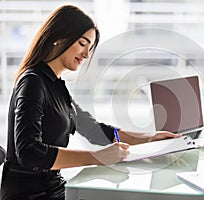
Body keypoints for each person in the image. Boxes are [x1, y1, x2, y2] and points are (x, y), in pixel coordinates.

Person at [0, 5, 179, 200]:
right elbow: (29, 153)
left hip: (55, 189)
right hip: (30, 195)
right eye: (82, 43)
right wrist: (97, 157)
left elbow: (96, 131)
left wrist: (149, 138)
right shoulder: (33, 81)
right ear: (59, 38)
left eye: (90, 47)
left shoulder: (57, 87)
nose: (86, 54)